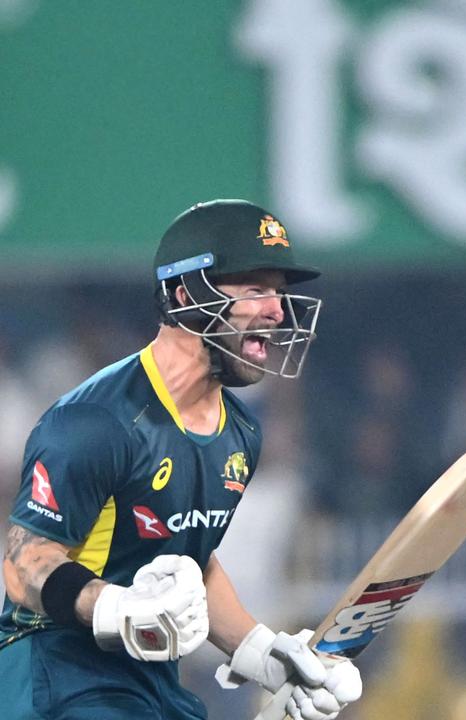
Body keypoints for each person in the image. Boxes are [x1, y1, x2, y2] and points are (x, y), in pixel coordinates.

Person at [0, 200, 362, 719]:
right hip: (53, 674)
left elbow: (191, 558)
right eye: (256, 288)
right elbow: (23, 563)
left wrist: (261, 653)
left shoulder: (239, 433)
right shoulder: (96, 421)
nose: (279, 310)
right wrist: (116, 608)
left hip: (147, 682)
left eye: (280, 291)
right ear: (186, 293)